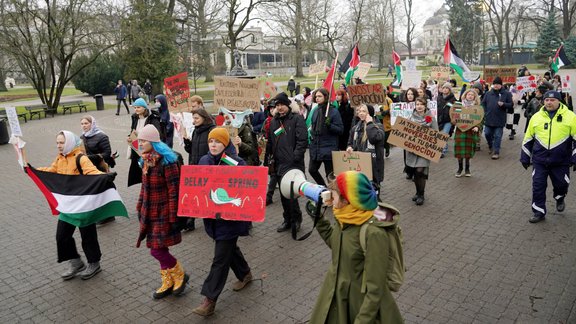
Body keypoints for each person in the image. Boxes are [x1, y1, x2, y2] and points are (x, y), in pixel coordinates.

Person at [310, 171, 403, 323]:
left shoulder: (373, 233)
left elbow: (375, 290)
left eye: (333, 194)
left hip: (359, 306)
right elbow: (338, 246)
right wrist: (319, 221)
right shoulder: (345, 216)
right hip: (336, 295)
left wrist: (362, 320)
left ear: (347, 199)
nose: (329, 198)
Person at [193, 127, 252, 317]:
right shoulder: (203, 160)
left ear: (225, 144)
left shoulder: (236, 162)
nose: (213, 144)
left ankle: (209, 300)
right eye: (211, 141)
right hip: (212, 219)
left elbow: (246, 188)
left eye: (217, 141)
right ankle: (245, 274)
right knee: (229, 250)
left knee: (220, 259)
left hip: (230, 220)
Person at [36, 131, 104, 280]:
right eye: (57, 143)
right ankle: (76, 263)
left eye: (61, 142)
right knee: (61, 236)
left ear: (69, 143)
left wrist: (104, 176)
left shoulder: (81, 158)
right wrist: (33, 170)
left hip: (83, 204)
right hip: (67, 206)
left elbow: (92, 172)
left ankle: (94, 263)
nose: (59, 146)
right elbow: (51, 171)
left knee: (88, 236)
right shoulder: (60, 158)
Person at [135, 125, 189, 299]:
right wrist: (139, 205)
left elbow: (175, 191)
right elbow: (144, 187)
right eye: (140, 140)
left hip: (164, 212)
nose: (140, 143)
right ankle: (168, 280)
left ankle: (180, 274)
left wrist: (174, 216)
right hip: (149, 211)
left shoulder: (168, 162)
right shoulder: (145, 160)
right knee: (160, 247)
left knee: (156, 250)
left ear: (153, 142)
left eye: (143, 140)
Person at [520, 91, 576, 223]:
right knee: (538, 186)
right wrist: (525, 157)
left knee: (561, 184)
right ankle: (538, 211)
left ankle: (560, 196)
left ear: (559, 101)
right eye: (546, 100)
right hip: (539, 160)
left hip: (561, 161)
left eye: (552, 100)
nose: (549, 102)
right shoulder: (536, 117)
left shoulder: (570, 117)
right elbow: (528, 138)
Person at [265, 92, 308, 232]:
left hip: (293, 164)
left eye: (282, 104)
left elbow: (302, 141)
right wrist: (268, 159)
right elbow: (271, 141)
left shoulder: (296, 119)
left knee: (291, 194)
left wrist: (294, 158)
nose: (280, 107)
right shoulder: (274, 121)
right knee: (283, 194)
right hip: (278, 163)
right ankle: (287, 219)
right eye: (277, 105)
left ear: (288, 105)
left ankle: (296, 219)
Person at [182, 109, 216, 231]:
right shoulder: (196, 131)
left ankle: (212, 218)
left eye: (196, 118)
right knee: (194, 194)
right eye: (193, 118)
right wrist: (187, 143)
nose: (193, 121)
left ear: (204, 118)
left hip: (207, 168)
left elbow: (214, 150)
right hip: (195, 167)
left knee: (207, 195)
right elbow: (192, 151)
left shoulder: (212, 130)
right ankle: (190, 221)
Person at [80, 115, 117, 224]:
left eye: (86, 123)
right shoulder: (82, 137)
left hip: (100, 168)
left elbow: (106, 154)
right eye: (82, 124)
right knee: (94, 192)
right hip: (88, 169)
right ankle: (99, 214)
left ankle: (109, 215)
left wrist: (90, 158)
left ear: (92, 124)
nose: (84, 126)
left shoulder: (102, 136)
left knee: (103, 191)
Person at [346, 104, 385, 200]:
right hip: (360, 163)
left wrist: (369, 124)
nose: (361, 113)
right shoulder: (355, 128)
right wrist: (350, 147)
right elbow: (350, 142)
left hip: (373, 164)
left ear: (370, 113)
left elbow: (375, 138)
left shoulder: (378, 126)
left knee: (374, 189)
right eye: (359, 111)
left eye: (364, 111)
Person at [406, 97, 438, 205]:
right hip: (412, 151)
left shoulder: (431, 118)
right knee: (415, 172)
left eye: (421, 104)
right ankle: (417, 192)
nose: (419, 106)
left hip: (424, 150)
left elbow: (436, 134)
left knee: (420, 171)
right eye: (417, 104)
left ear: (425, 106)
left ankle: (421, 194)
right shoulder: (411, 117)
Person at [308, 88, 344, 186]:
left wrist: (329, 125)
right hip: (316, 147)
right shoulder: (315, 110)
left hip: (329, 147)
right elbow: (313, 126)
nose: (317, 98)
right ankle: (323, 188)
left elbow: (340, 130)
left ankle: (333, 194)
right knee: (312, 170)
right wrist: (311, 132)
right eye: (316, 96)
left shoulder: (333, 111)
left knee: (330, 175)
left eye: (319, 96)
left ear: (325, 97)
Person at [127, 98, 165, 187]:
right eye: (135, 107)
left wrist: (140, 134)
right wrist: (130, 137)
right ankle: (144, 185)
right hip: (137, 147)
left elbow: (156, 134)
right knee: (138, 169)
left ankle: (148, 185)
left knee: (148, 169)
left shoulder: (153, 119)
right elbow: (132, 130)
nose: (136, 109)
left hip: (148, 148)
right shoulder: (135, 118)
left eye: (138, 107)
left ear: (144, 108)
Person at [482, 76, 513, 160]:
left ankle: (496, 152)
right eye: (494, 84)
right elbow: (483, 103)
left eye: (498, 84)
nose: (496, 86)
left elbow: (511, 105)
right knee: (487, 133)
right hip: (489, 118)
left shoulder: (506, 94)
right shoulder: (488, 93)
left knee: (498, 136)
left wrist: (503, 104)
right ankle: (490, 145)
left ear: (501, 85)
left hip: (500, 119)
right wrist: (485, 111)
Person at [452, 90, 481, 177]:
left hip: (471, 132)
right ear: (465, 95)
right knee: (459, 150)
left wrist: (477, 127)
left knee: (468, 151)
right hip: (460, 131)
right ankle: (460, 168)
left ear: (475, 97)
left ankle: (467, 168)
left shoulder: (477, 108)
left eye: (472, 95)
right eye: (469, 94)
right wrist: (453, 121)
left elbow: (480, 119)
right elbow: (454, 117)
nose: (470, 96)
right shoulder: (459, 106)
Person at [402, 88, 419, 179]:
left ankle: (415, 172)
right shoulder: (403, 106)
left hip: (416, 133)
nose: (410, 96)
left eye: (412, 94)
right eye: (408, 94)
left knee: (415, 153)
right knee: (406, 153)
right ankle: (409, 170)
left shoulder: (419, 105)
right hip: (406, 133)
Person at [437, 82, 456, 157]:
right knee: (440, 135)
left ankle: (442, 151)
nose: (445, 90)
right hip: (440, 120)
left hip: (448, 120)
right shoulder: (438, 97)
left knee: (444, 134)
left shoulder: (453, 99)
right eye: (444, 88)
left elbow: (456, 110)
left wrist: (454, 119)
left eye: (447, 88)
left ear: (450, 90)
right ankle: (445, 146)